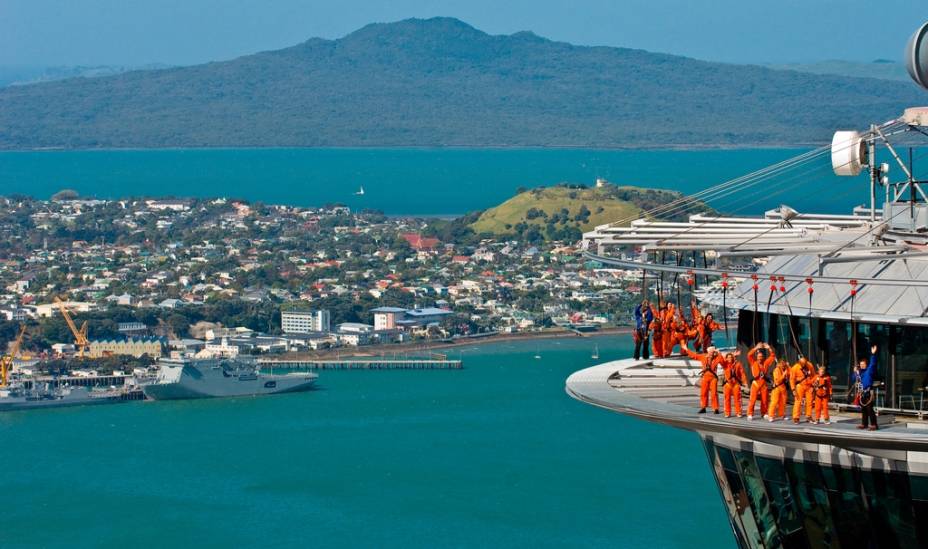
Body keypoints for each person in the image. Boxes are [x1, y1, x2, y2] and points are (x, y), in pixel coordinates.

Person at [683, 343, 723, 414]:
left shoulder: (717, 358)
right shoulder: (703, 356)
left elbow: (723, 361)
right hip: (705, 377)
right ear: (708, 351)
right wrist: (686, 349)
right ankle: (703, 407)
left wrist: (718, 353)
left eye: (713, 352)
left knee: (714, 393)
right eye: (710, 351)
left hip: (713, 378)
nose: (711, 353)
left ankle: (716, 408)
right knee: (703, 393)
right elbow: (694, 355)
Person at [746, 342, 774, 420]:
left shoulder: (765, 363)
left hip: (763, 383)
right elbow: (749, 355)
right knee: (753, 400)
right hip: (755, 383)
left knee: (765, 399)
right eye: (758, 357)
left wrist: (769, 348)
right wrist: (756, 348)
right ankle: (750, 414)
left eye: (761, 357)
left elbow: (772, 356)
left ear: (763, 357)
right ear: (756, 357)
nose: (760, 358)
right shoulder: (753, 362)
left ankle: (764, 413)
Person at [856, 345, 879, 431]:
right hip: (862, 392)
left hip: (868, 392)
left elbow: (873, 364)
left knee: (869, 409)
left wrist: (873, 354)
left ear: (866, 365)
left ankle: (874, 424)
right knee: (863, 409)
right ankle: (864, 423)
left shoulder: (869, 370)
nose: (862, 366)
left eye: (863, 364)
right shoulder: (859, 373)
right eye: (861, 364)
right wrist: (855, 372)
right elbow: (853, 379)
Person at [789, 356, 816, 424]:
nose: (804, 365)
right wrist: (793, 390)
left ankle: (808, 416)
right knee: (798, 401)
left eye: (805, 363)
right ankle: (796, 417)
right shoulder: (795, 368)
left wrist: (813, 386)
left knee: (809, 402)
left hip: (809, 386)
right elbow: (792, 379)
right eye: (803, 364)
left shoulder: (810, 365)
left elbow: (814, 376)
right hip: (799, 386)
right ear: (799, 363)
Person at [721, 351, 746, 418]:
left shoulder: (738, 364)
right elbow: (720, 359)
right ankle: (727, 413)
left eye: (731, 357)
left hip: (736, 384)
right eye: (728, 357)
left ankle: (739, 412)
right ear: (726, 358)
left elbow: (742, 373)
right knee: (727, 399)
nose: (730, 358)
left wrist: (744, 382)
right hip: (728, 384)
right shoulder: (725, 364)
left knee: (738, 399)